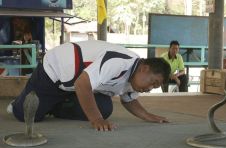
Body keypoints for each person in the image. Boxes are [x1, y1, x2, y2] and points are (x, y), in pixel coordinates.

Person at [9, 40, 171, 131]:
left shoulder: (134, 78)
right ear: (145, 68)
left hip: (75, 87)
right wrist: (96, 119)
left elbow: (129, 100)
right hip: (54, 73)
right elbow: (82, 84)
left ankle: (54, 105)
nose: (149, 89)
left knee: (104, 107)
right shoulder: (120, 62)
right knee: (28, 115)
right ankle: (17, 104)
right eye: (153, 82)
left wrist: (149, 116)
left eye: (154, 87)